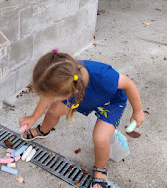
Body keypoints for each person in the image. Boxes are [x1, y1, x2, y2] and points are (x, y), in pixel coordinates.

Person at [18, 49, 144, 188]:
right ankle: (43, 130)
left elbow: (128, 84)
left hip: (110, 102)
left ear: (72, 92)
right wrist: (33, 117)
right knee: (53, 110)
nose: (50, 98)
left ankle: (100, 169)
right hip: (82, 98)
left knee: (100, 139)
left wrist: (138, 111)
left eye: (54, 96)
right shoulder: (66, 77)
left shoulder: (103, 76)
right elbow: (47, 99)